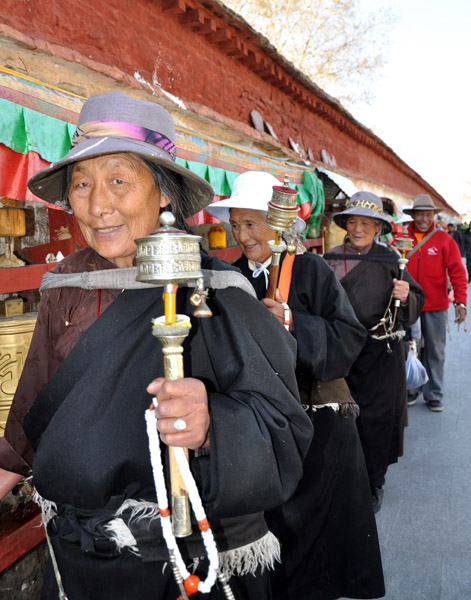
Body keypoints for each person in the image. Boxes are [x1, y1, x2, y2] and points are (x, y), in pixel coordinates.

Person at [0, 92, 314, 600]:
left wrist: (212, 423)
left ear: (164, 191)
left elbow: (284, 432)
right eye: (82, 183)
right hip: (79, 558)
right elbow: (32, 415)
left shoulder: (220, 293)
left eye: (118, 180)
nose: (98, 205)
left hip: (182, 562)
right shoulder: (65, 284)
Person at [205, 172, 385, 600]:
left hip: (318, 419)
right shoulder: (228, 277)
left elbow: (348, 337)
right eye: (236, 225)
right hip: (257, 426)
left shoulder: (310, 269)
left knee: (315, 534)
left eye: (251, 224)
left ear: (278, 222)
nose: (242, 235)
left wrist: (291, 324)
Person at [323, 192, 425, 511]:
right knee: (340, 418)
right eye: (352, 221)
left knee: (376, 422)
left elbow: (415, 302)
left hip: (381, 354)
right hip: (342, 352)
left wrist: (405, 294)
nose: (357, 228)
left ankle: (373, 481)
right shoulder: (330, 258)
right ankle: (344, 479)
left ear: (378, 226)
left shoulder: (392, 259)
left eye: (365, 223)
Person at [401, 194, 467, 412]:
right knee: (410, 350)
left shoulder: (443, 239)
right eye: (419, 214)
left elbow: (457, 272)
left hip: (436, 307)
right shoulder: (402, 238)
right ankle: (411, 389)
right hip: (408, 306)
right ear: (413, 215)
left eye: (427, 214)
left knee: (435, 352)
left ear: (433, 216)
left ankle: (434, 394)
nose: (423, 218)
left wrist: (460, 301)